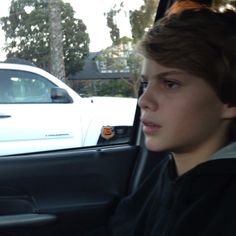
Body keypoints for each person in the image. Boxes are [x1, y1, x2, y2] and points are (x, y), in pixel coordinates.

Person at [87, 2, 236, 236]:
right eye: (146, 83)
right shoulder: (167, 173)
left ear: (230, 101)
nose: (144, 100)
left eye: (170, 84)